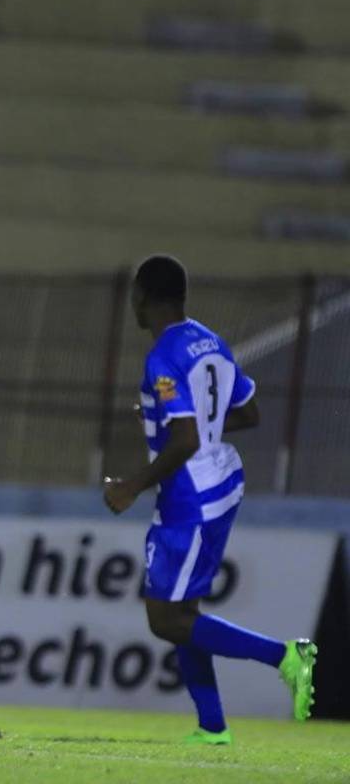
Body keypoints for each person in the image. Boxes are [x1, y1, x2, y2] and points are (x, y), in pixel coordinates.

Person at [102, 255, 317, 745]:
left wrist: (131, 485)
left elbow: (185, 441)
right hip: (221, 483)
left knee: (166, 619)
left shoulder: (162, 357)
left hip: (191, 494)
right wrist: (161, 413)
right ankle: (213, 726)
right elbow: (247, 413)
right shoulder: (209, 340)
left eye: (135, 294)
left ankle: (285, 656)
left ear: (144, 297)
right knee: (184, 612)